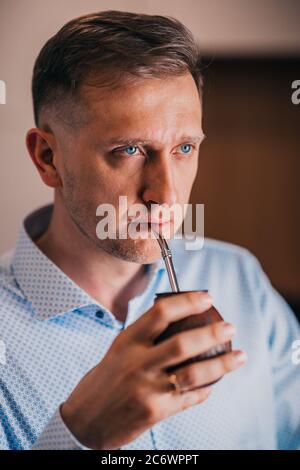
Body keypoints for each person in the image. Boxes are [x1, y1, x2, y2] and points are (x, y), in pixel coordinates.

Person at [0, 10, 299, 450]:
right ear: (48, 157)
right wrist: (78, 436)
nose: (166, 194)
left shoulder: (240, 278)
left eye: (183, 148)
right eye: (130, 149)